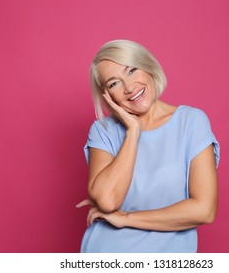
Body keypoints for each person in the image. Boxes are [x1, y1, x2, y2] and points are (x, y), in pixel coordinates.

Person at [76, 39, 220, 253]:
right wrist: (133, 131)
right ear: (107, 95)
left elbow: (204, 210)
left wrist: (126, 218)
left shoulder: (191, 122)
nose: (129, 87)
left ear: (148, 66)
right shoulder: (103, 131)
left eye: (132, 70)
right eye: (114, 83)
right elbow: (107, 200)